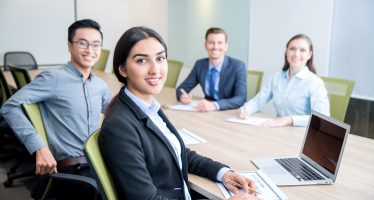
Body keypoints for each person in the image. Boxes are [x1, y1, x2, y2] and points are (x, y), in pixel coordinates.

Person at [99, 26, 258, 200]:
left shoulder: (149, 106)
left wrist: (223, 173)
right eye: (142, 61)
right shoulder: (119, 126)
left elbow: (176, 151)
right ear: (122, 69)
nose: (155, 70)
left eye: (160, 58)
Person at [1, 19, 112, 199]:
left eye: (96, 44)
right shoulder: (53, 78)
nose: (90, 50)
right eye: (83, 43)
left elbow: (117, 115)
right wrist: (39, 147)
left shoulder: (100, 86)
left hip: (97, 162)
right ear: (69, 46)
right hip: (74, 167)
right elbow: (10, 107)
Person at [238, 34, 330, 127]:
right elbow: (259, 100)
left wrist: (290, 119)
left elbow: (321, 119)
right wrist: (246, 109)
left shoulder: (315, 82)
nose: (296, 54)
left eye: (302, 50)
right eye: (292, 49)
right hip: (279, 130)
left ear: (309, 55)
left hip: (302, 134)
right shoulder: (276, 77)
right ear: (286, 52)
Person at [176, 27, 247, 112]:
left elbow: (241, 98)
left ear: (226, 46)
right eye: (211, 43)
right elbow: (182, 88)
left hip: (229, 112)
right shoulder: (200, 65)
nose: (215, 47)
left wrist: (215, 105)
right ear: (205, 45)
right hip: (207, 112)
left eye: (220, 43)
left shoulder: (238, 66)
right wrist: (182, 96)